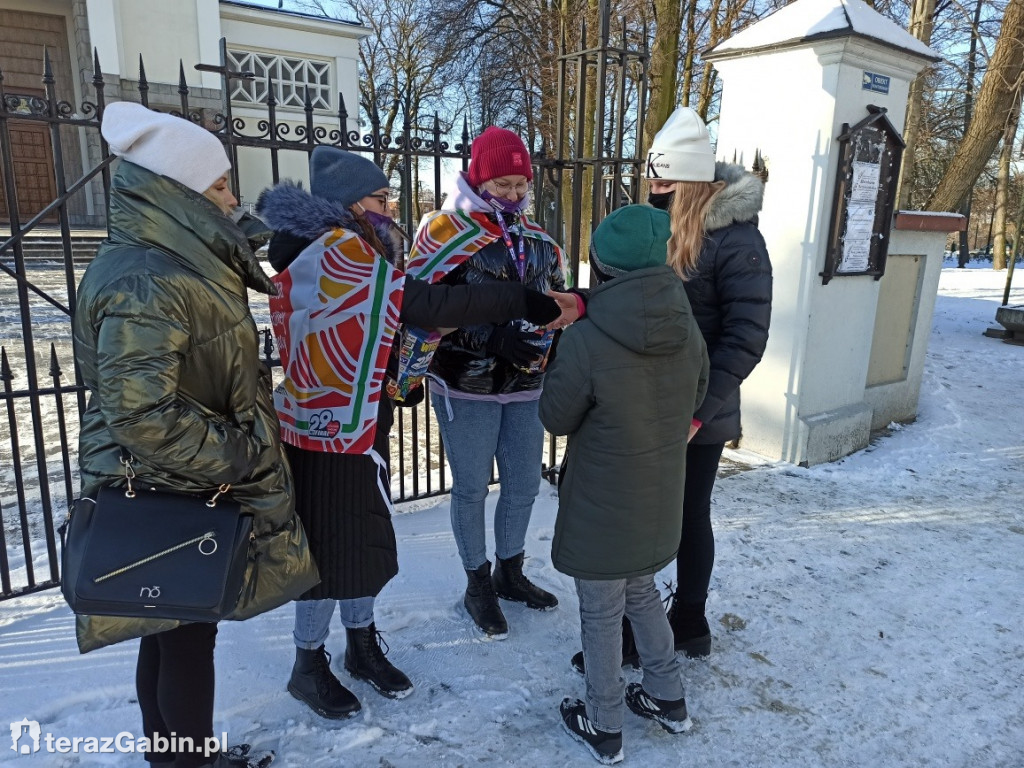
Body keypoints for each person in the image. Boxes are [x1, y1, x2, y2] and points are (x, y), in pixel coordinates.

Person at [256, 146, 567, 718]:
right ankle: (308, 663)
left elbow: (392, 316)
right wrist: (516, 300)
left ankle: (361, 644)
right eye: (379, 198)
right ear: (348, 203)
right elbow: (420, 301)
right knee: (328, 545)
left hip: (359, 415)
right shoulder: (329, 250)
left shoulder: (353, 245)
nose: (389, 206)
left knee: (362, 539)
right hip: (327, 427)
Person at [72, 102, 318, 768]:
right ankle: (186, 761)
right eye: (217, 185)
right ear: (174, 190)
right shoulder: (151, 278)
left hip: (177, 482)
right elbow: (140, 413)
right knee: (185, 637)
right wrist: (237, 455)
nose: (234, 198)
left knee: (168, 630)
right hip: (175, 486)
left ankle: (174, 755)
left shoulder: (168, 262)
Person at [539, 205, 709, 764]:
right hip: (658, 495)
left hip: (601, 502)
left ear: (602, 269)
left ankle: (603, 722)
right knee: (641, 593)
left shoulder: (587, 340)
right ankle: (669, 699)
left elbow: (556, 417)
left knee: (602, 610)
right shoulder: (687, 328)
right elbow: (699, 390)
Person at [408, 126, 579, 639]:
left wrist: (552, 336)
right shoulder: (443, 232)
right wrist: (490, 339)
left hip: (527, 383)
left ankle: (510, 570)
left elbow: (560, 301)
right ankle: (476, 581)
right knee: (472, 487)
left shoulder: (539, 241)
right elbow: (419, 310)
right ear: (478, 178)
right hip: (466, 382)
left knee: (525, 484)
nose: (512, 194)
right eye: (501, 183)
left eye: (519, 184)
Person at [648, 106, 773, 657]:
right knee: (648, 513)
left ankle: (689, 620)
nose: (654, 192)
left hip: (701, 407)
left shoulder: (738, 241)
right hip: (651, 401)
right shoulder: (663, 226)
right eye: (650, 180)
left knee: (688, 513)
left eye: (664, 183)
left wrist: (699, 408)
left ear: (694, 183)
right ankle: (645, 618)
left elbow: (746, 337)